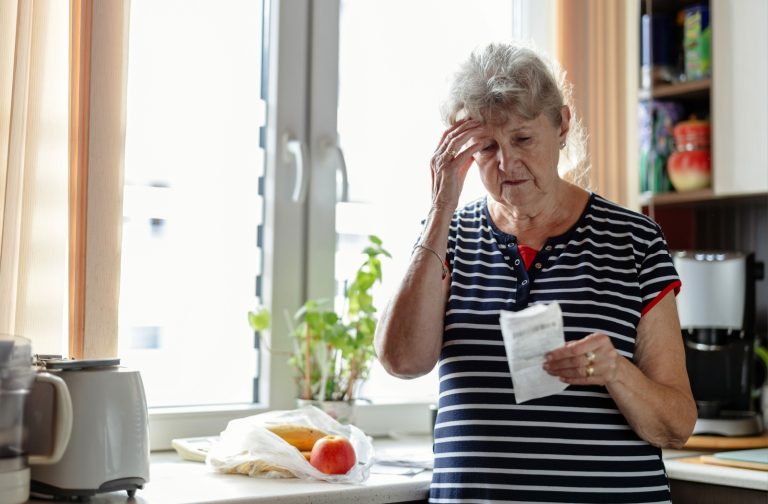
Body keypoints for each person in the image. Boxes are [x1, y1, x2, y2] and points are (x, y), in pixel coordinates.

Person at [374, 42, 696, 504]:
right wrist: (440, 207)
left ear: (561, 125)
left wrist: (615, 372)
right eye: (486, 147)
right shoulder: (448, 236)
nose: (507, 163)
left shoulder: (635, 240)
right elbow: (402, 361)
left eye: (523, 139)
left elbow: (677, 425)